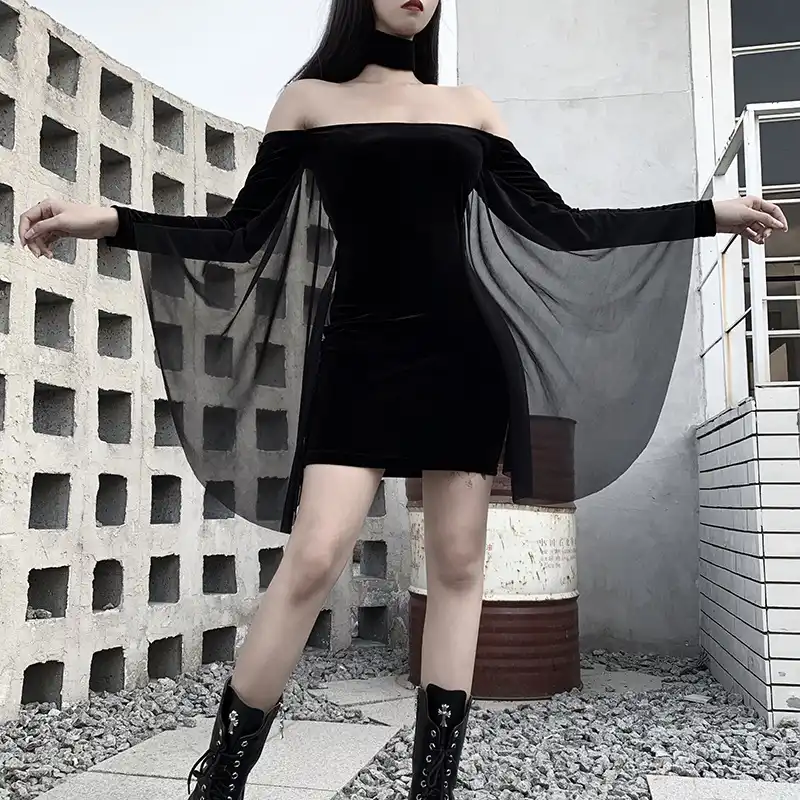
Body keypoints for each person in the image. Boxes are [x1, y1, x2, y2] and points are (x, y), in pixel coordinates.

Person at [18, 0, 788, 798]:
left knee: (458, 565)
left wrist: (709, 213)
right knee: (314, 557)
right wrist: (106, 220)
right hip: (360, 354)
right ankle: (221, 781)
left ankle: (432, 789)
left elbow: (558, 226)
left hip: (463, 356)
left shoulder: (468, 107)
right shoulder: (310, 100)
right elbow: (241, 234)